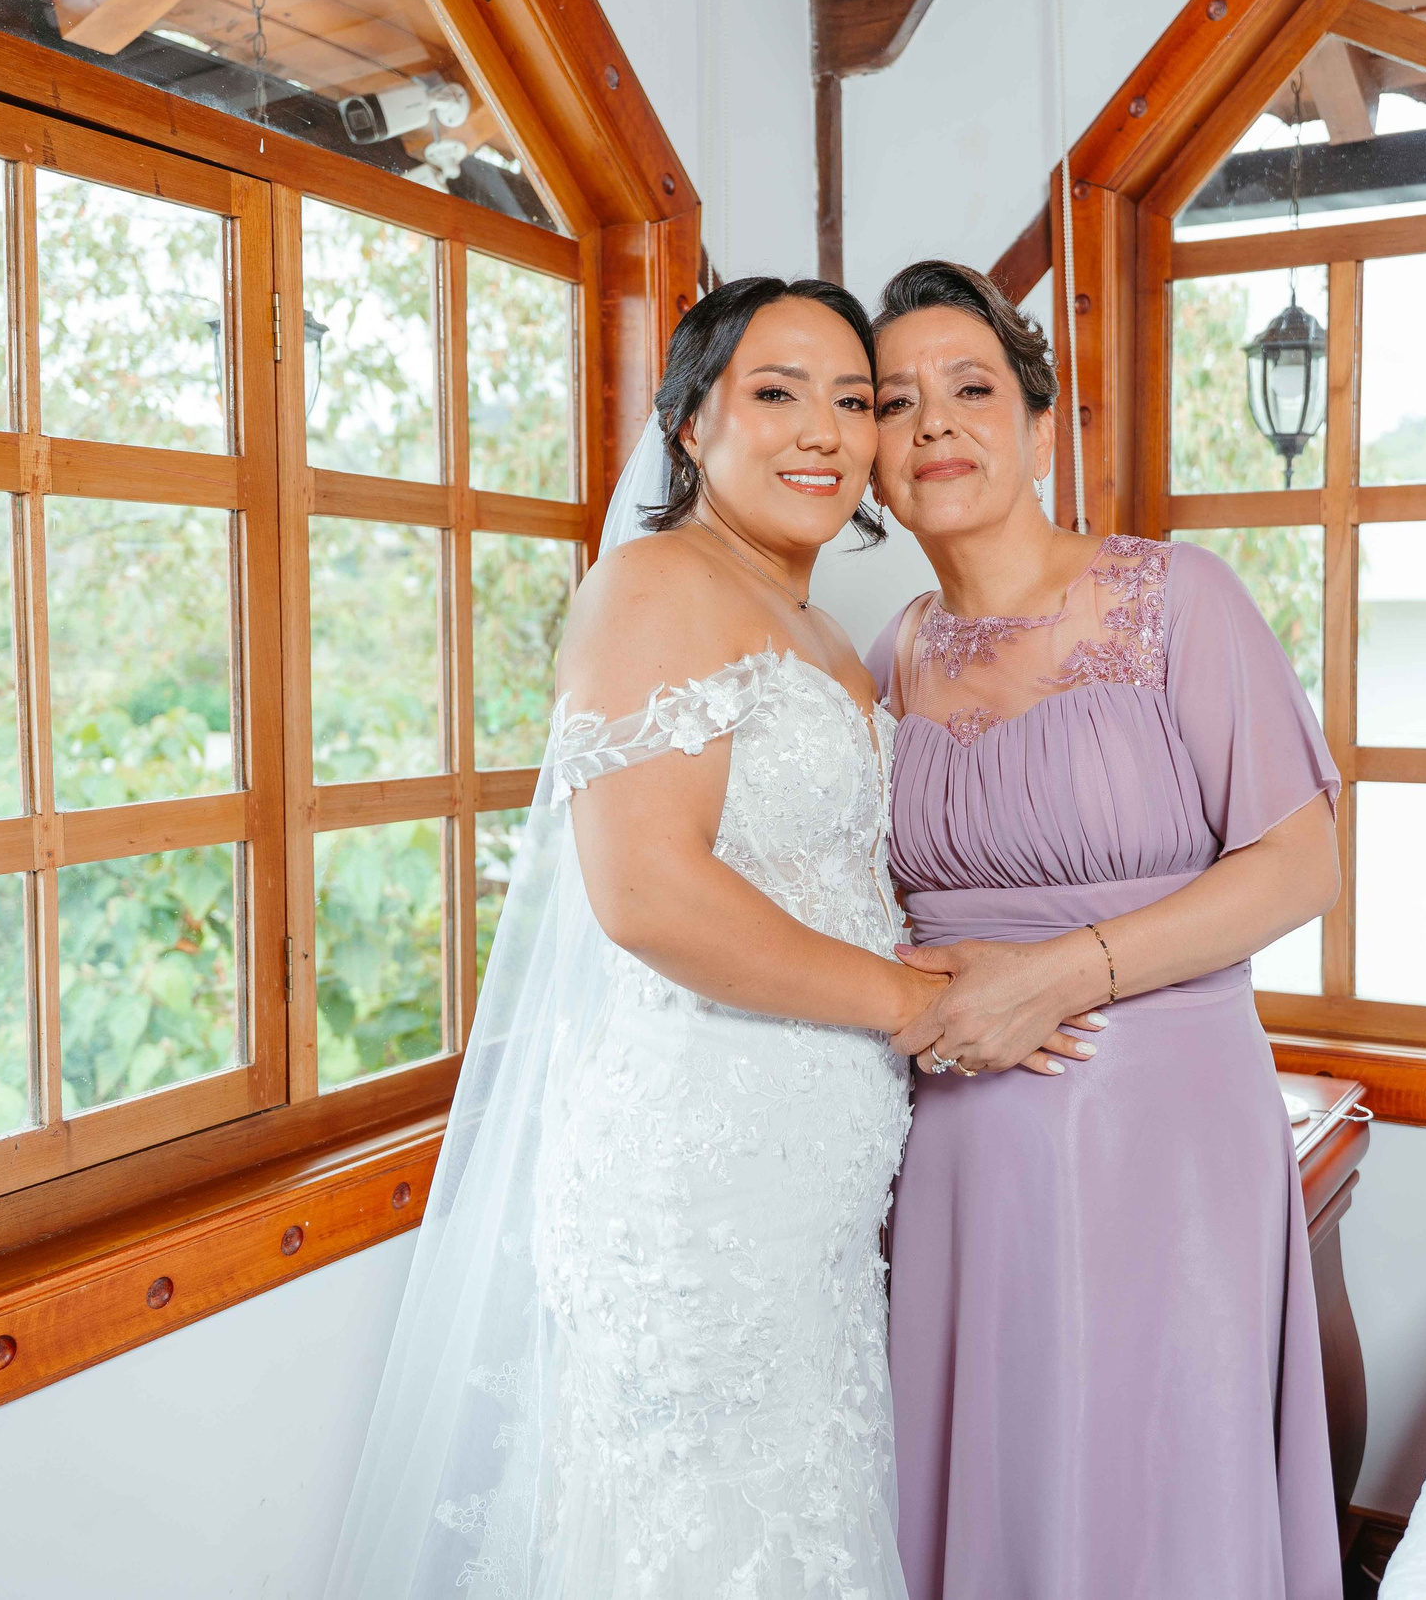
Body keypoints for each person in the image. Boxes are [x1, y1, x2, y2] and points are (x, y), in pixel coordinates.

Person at [325, 275, 1096, 1600]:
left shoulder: (827, 639)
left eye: (852, 401)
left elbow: (833, 879)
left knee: (803, 1519)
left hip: (816, 1188)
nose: (822, 431)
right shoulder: (651, 590)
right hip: (697, 1182)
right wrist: (913, 1004)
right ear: (691, 425)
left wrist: (1001, 970)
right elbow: (650, 896)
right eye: (775, 393)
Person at [867, 260, 1347, 1600]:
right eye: (895, 404)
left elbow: (1301, 866)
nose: (936, 427)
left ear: (1035, 423)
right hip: (960, 1156)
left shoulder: (1176, 599)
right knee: (991, 1498)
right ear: (868, 460)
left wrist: (1058, 977)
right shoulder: (886, 657)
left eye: (970, 389)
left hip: (1167, 1146)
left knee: (1158, 1485)